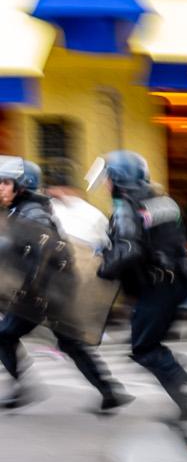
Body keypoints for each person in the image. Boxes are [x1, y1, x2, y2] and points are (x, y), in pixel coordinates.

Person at [0, 157, 129, 413]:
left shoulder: (32, 213)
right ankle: (109, 391)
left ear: (22, 185)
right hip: (47, 291)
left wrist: (31, 289)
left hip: (42, 292)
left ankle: (23, 388)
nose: (0, 188)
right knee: (70, 343)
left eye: (5, 183)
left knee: (4, 335)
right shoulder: (22, 209)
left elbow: (43, 251)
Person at [87, 151, 187, 419]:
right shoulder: (162, 201)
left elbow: (129, 249)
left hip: (158, 286)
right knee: (152, 344)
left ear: (119, 179)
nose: (105, 184)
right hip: (178, 281)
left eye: (108, 178)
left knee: (145, 349)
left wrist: (105, 268)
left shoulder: (127, 206)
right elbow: (160, 239)